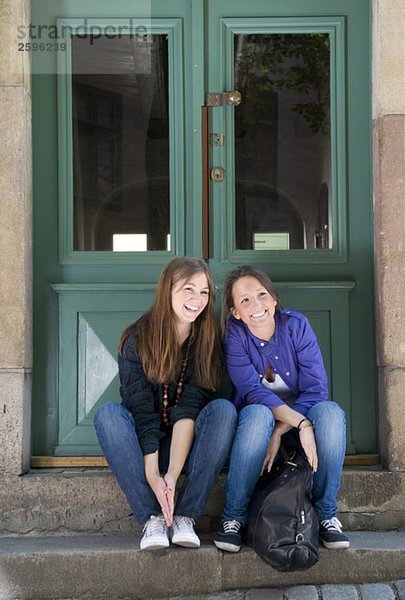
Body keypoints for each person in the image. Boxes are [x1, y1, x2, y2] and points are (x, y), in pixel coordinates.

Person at [94, 257, 237, 551]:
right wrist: (153, 476)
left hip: (186, 450)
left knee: (223, 410)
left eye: (204, 292)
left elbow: (190, 409)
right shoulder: (136, 340)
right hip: (144, 448)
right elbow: (142, 413)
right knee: (108, 415)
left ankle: (185, 516)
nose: (197, 300)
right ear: (167, 290)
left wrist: (171, 474)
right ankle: (153, 518)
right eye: (188, 289)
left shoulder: (207, 342)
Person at [213, 265, 349, 553]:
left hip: (298, 421)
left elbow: (316, 389)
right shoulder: (235, 334)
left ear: (274, 299)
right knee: (256, 412)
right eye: (245, 300)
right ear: (235, 311)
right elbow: (251, 390)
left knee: (332, 413)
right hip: (258, 426)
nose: (256, 305)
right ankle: (234, 518)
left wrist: (291, 427)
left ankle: (327, 515)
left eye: (262, 295)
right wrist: (294, 425)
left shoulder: (296, 325)